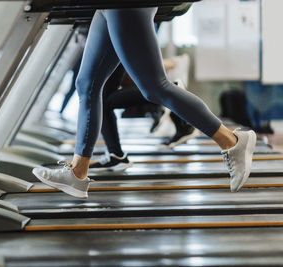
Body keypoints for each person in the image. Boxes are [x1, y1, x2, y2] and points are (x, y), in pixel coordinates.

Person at [33, 7, 256, 198]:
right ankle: (77, 173)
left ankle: (232, 141)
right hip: (106, 6)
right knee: (87, 84)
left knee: (155, 87)